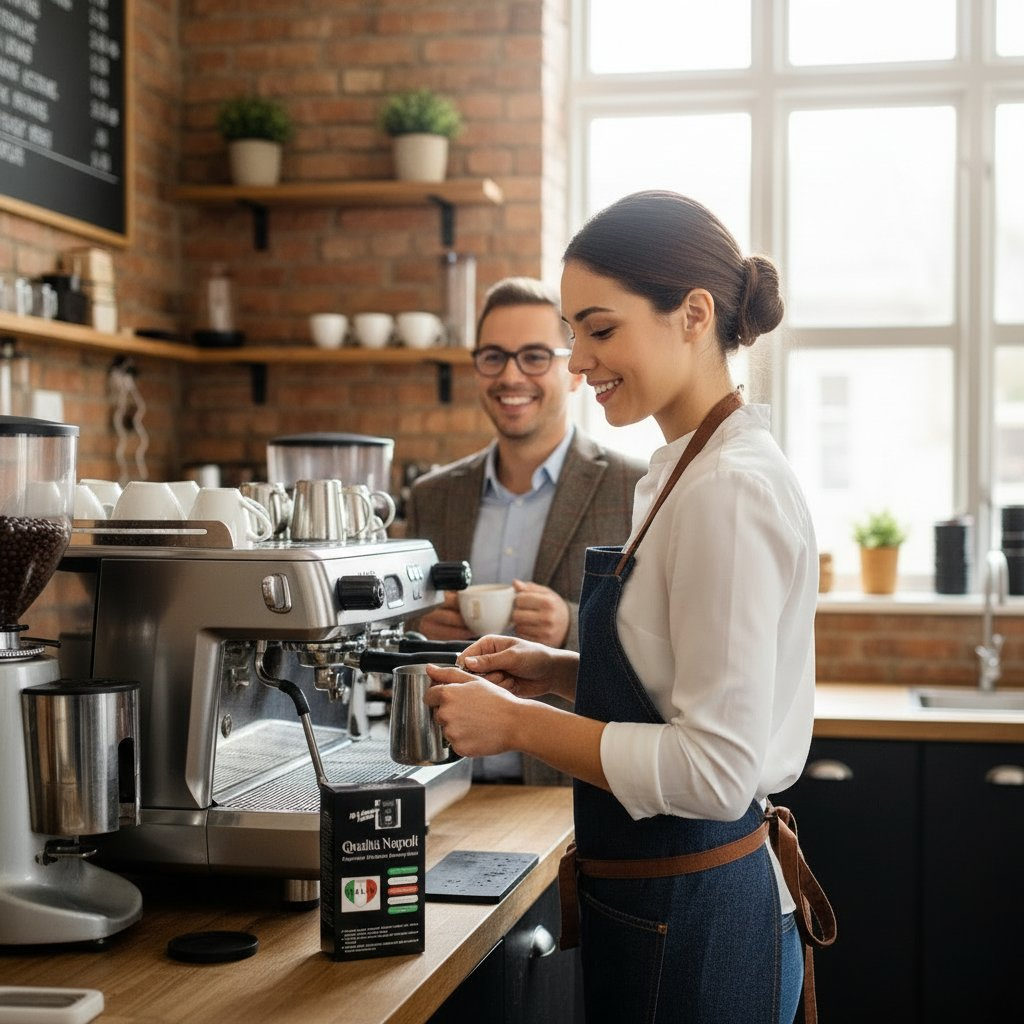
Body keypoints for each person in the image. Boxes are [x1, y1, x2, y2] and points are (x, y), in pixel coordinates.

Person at [424, 192, 834, 1023]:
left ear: (692, 315)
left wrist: (514, 725)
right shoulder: (680, 469)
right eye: (574, 333)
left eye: (598, 330)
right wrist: (555, 672)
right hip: (656, 904)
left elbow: (715, 772)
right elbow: (677, 682)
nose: (576, 364)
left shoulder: (728, 490)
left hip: (700, 919)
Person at [405, 276, 645, 785]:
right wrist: (420, 626)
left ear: (574, 370)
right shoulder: (433, 496)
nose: (510, 376)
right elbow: (398, 634)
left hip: (570, 792)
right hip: (451, 783)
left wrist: (569, 625)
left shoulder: (637, 487)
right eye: (493, 357)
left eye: (535, 356)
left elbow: (659, 642)